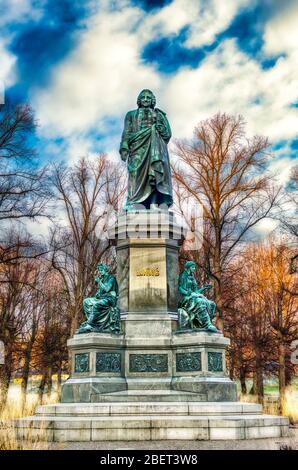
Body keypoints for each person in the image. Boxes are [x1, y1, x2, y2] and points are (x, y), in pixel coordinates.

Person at [119, 89, 173, 210]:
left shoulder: (159, 114)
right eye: (143, 97)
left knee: (153, 173)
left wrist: (160, 128)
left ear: (152, 100)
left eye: (148, 98)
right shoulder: (131, 115)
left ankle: (154, 203)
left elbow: (167, 134)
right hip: (137, 147)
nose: (145, 100)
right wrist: (124, 147)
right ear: (139, 100)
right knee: (134, 173)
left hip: (156, 147)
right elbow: (126, 132)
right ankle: (134, 202)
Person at [76, 263, 120, 334]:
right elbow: (99, 292)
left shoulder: (111, 278)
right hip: (102, 298)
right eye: (99, 270)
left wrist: (99, 281)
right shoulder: (102, 279)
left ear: (106, 270)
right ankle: (92, 322)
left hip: (110, 299)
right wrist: (98, 294)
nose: (100, 272)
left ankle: (90, 324)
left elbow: (107, 289)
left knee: (97, 304)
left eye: (101, 270)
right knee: (86, 301)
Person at [178, 261, 219, 333]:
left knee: (211, 303)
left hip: (193, 296)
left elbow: (196, 292)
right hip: (186, 298)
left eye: (194, 267)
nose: (194, 269)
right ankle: (207, 324)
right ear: (188, 268)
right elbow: (180, 288)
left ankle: (205, 324)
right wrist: (189, 293)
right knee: (199, 302)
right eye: (192, 267)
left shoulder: (193, 278)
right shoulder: (183, 276)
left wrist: (204, 288)